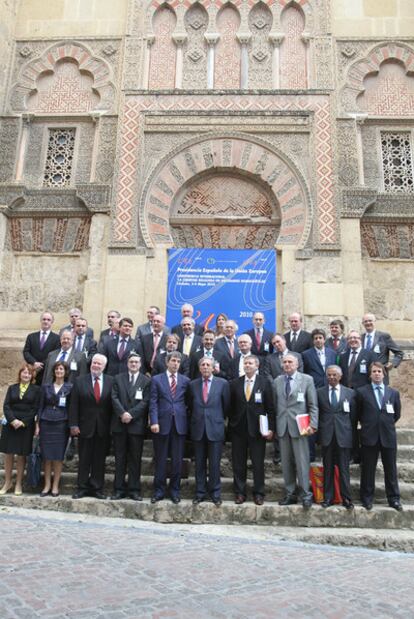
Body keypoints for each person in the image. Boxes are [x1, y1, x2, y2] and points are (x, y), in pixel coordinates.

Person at [272, 354, 318, 509]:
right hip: (283, 426)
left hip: (301, 427)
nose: (287, 364)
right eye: (284, 362)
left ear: (297, 364)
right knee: (286, 463)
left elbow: (313, 405)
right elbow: (275, 404)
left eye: (290, 362)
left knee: (302, 462)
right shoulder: (277, 381)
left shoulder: (307, 380)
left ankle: (306, 494)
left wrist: (313, 424)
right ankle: (290, 493)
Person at [357, 361, 402, 511]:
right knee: (368, 469)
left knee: (391, 469)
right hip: (369, 436)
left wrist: (384, 423)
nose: (377, 374)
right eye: (374, 371)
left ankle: (394, 499)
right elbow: (358, 414)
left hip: (388, 436)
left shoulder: (393, 393)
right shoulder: (362, 392)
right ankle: (367, 498)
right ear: (370, 375)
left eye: (379, 371)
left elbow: (396, 414)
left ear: (384, 374)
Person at [229, 355, 274, 505]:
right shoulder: (235, 383)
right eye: (245, 363)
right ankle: (240, 492)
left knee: (258, 463)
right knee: (238, 463)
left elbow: (270, 407)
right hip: (239, 430)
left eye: (250, 363)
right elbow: (230, 407)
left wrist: (271, 429)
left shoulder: (265, 382)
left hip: (257, 430)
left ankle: (259, 493)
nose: (247, 365)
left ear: (257, 366)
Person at [69, 354, 114, 499]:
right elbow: (74, 404)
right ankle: (82, 487)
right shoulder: (80, 381)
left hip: (103, 427)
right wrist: (74, 424)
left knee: (99, 459)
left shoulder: (111, 381)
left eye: (99, 364)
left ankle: (96, 488)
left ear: (104, 366)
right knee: (84, 458)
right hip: (84, 426)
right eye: (94, 363)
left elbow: (113, 406)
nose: (96, 366)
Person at [187, 356, 230, 506]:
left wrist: (217, 419)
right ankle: (200, 493)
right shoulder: (192, 385)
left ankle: (215, 493)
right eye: (203, 365)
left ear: (213, 368)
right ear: (199, 368)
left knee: (214, 464)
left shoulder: (223, 384)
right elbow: (190, 405)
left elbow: (226, 406)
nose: (205, 367)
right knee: (199, 463)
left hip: (215, 428)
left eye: (208, 365)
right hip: (198, 428)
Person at [149, 351, 190, 504]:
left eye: (178, 362)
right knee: (160, 459)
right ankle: (159, 490)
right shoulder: (156, 380)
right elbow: (153, 402)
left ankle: (174, 490)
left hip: (179, 425)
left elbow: (189, 402)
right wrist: (153, 421)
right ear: (167, 362)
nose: (175, 364)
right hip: (161, 424)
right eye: (173, 361)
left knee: (177, 460)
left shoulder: (185, 381)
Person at [111, 353, 151, 501]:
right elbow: (114, 398)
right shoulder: (118, 378)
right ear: (127, 363)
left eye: (136, 362)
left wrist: (131, 414)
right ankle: (119, 489)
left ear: (140, 365)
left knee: (135, 459)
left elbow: (145, 402)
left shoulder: (146, 381)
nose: (133, 364)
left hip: (136, 425)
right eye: (131, 362)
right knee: (119, 458)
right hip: (120, 424)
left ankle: (134, 489)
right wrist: (122, 413)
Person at [317, 365, 356, 510]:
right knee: (327, 468)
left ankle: (346, 498)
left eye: (334, 375)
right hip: (327, 435)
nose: (332, 377)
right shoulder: (319, 392)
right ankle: (328, 498)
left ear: (340, 377)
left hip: (343, 436)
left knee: (344, 469)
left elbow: (353, 417)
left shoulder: (350, 393)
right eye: (329, 375)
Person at [0, 364, 40, 495]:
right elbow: (6, 406)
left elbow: (35, 409)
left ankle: (18, 483)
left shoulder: (36, 390)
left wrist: (22, 422)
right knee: (8, 454)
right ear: (20, 374)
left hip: (25, 426)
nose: (26, 375)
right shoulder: (12, 388)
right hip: (10, 425)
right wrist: (13, 420)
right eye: (24, 372)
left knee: (22, 455)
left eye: (29, 373)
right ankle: (7, 482)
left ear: (32, 376)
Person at [36, 361, 72, 497]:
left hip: (61, 423)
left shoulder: (70, 387)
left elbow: (71, 407)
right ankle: (47, 485)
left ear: (65, 372)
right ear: (54, 372)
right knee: (47, 456)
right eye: (57, 369)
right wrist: (37, 424)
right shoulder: (46, 387)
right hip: (46, 422)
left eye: (61, 369)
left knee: (58, 456)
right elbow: (40, 406)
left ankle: (55, 485)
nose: (59, 371)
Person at [361, 313, 403, 384]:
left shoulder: (384, 336)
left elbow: (399, 353)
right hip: (364, 378)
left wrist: (393, 363)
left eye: (370, 320)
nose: (368, 323)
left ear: (375, 321)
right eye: (365, 321)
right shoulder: (360, 338)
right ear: (363, 323)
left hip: (380, 376)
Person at [23, 311, 61, 385]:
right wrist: (34, 363)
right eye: (44, 319)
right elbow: (26, 352)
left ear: (52, 322)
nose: (46, 321)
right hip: (32, 371)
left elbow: (55, 354)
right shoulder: (31, 336)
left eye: (48, 320)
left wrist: (41, 365)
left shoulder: (57, 338)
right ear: (41, 321)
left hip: (47, 372)